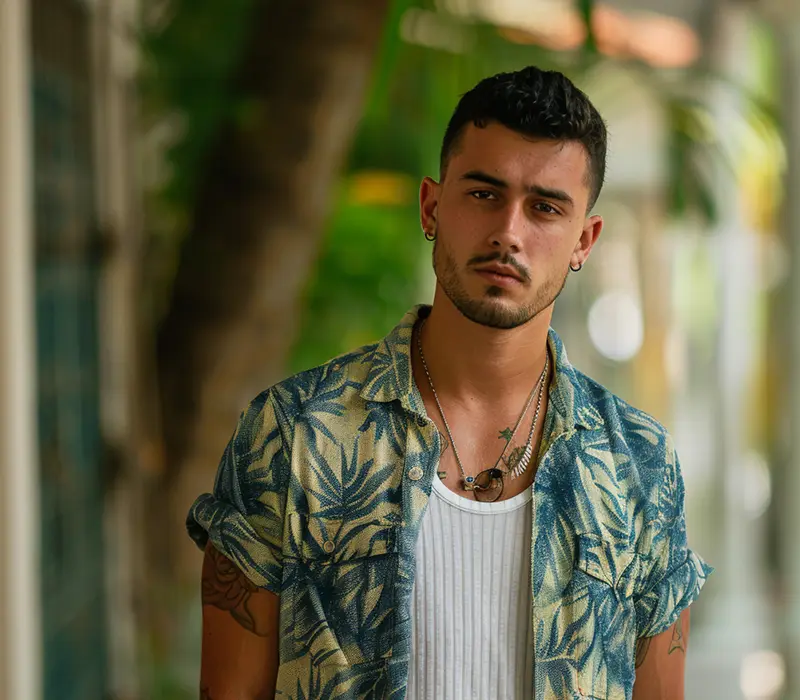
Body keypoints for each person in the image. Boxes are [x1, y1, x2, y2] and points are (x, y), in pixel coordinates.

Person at [187, 65, 712, 700]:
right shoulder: (293, 434)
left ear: (584, 239)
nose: (509, 233)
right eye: (484, 194)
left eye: (545, 207)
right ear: (432, 206)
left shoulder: (638, 466)